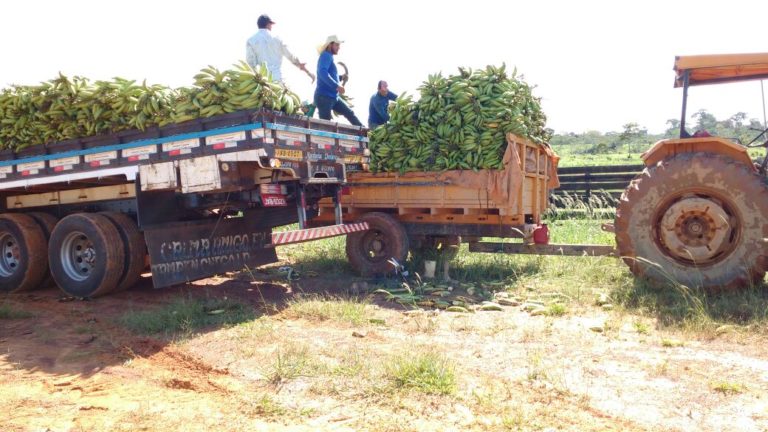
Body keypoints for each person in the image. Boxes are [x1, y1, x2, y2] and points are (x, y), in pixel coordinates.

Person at [245, 14, 315, 84]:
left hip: (263, 82)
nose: (271, 27)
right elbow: (290, 56)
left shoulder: (251, 41)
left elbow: (250, 63)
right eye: (271, 24)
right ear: (268, 24)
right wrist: (307, 71)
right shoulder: (277, 38)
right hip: (277, 80)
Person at [314, 35, 363, 126]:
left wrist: (340, 78)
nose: (339, 47)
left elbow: (330, 75)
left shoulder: (329, 56)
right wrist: (336, 86)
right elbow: (322, 73)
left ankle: (365, 133)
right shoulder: (326, 55)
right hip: (324, 97)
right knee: (326, 125)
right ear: (330, 45)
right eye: (336, 45)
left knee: (349, 113)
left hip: (332, 97)